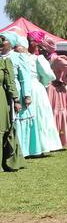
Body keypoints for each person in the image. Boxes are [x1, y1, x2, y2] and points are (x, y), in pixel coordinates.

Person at [44, 44, 67, 148]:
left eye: (44, 46)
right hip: (46, 89)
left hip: (55, 90)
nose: (42, 48)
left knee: (56, 113)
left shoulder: (57, 60)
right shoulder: (43, 58)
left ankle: (59, 139)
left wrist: (64, 81)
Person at [0, 33, 27, 171]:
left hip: (2, 98)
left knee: (3, 130)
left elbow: (11, 82)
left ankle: (8, 161)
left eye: (3, 40)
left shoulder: (6, 61)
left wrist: (17, 99)